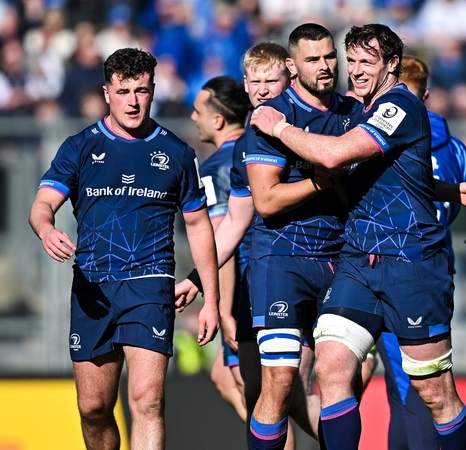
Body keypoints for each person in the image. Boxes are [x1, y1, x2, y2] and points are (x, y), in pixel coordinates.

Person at [250, 24, 466, 450]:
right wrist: (450, 190)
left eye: (368, 61)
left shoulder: (399, 104)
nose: (356, 71)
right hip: (359, 261)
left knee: (435, 392)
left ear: (392, 64)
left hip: (411, 263)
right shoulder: (361, 108)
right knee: (331, 364)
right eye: (353, 60)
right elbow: (401, 174)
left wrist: (279, 127)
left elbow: (335, 155)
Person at [28, 48, 220, 450]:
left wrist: (212, 301)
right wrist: (46, 230)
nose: (133, 101)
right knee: (94, 408)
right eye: (124, 91)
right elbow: (42, 205)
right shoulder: (80, 147)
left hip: (150, 285)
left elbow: (200, 226)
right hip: (93, 287)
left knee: (147, 400)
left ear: (153, 91)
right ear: (106, 92)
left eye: (142, 91)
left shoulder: (177, 153)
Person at [175, 41, 320, 448]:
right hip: (263, 280)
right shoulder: (243, 149)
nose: (259, 89)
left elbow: (226, 229)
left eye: (269, 80)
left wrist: (219, 308)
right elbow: (235, 225)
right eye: (252, 81)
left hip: (308, 274)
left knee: (277, 392)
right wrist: (196, 282)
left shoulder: (313, 125)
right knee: (262, 391)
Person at [374, 54, 466, 450]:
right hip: (436, 264)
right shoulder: (456, 149)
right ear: (427, 94)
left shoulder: (377, 135)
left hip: (386, 263)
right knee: (426, 379)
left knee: (406, 388)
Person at [243, 23, 364, 450]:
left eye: (330, 56)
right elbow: (267, 201)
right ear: (292, 67)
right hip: (281, 258)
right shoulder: (271, 117)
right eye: (313, 59)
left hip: (342, 258)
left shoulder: (355, 113)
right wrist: (324, 181)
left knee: (346, 375)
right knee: (280, 380)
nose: (326, 66)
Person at [188, 75, 253, 422]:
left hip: (243, 292)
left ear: (217, 120)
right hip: (269, 284)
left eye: (197, 111)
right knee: (223, 378)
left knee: (261, 400)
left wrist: (223, 309)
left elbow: (219, 245)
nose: (192, 118)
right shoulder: (256, 152)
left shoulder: (215, 168)